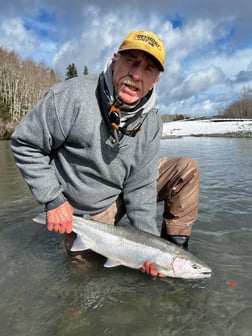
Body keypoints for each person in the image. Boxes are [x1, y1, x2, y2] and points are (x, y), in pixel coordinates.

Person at [11, 30, 199, 277]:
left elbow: (141, 186)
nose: (136, 75)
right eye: (131, 60)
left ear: (156, 80)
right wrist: (53, 200)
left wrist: (153, 248)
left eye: (148, 69)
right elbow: (25, 144)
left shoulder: (152, 122)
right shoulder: (71, 96)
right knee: (85, 279)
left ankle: (176, 255)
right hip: (84, 209)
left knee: (185, 169)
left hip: (122, 188)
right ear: (115, 60)